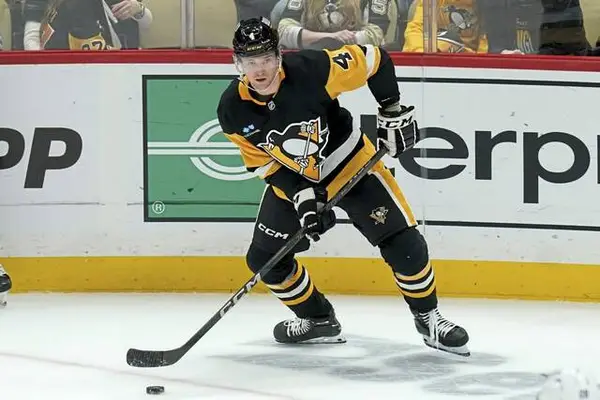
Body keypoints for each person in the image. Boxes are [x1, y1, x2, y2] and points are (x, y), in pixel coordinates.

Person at [216, 16, 470, 356]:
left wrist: (391, 110)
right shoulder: (232, 110)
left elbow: (375, 59)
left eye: (265, 59)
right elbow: (265, 164)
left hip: (349, 162)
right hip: (298, 177)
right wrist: (302, 197)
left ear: (278, 56)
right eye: (250, 62)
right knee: (265, 260)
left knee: (403, 243)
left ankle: (428, 319)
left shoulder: (313, 69)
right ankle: (318, 320)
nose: (259, 70)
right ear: (238, 64)